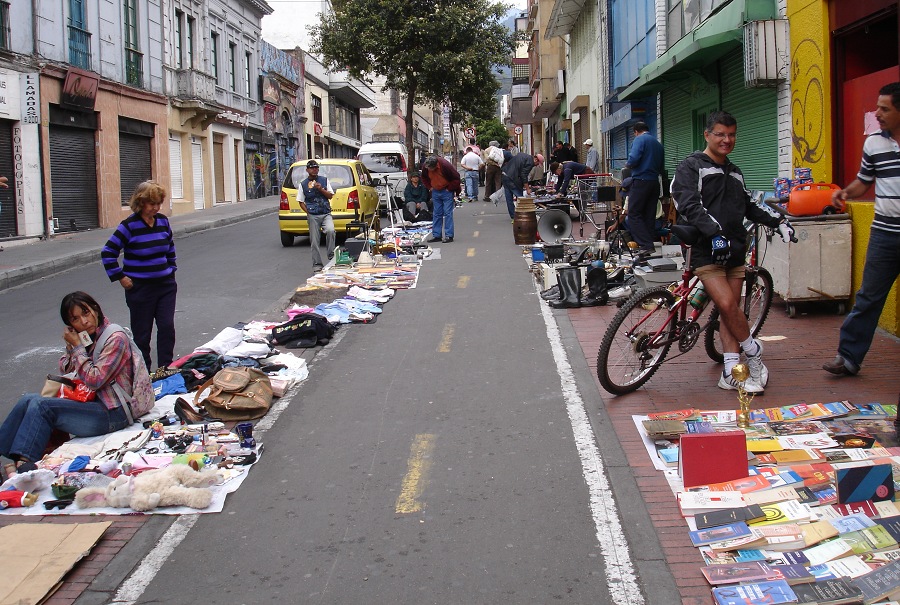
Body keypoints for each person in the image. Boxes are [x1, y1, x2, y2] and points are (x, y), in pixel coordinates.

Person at [671, 111, 794, 394]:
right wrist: (714, 235)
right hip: (706, 250)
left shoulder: (735, 171)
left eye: (732, 135)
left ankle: (729, 371)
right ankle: (754, 352)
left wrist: (779, 222)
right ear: (707, 135)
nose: (727, 140)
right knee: (727, 305)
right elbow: (688, 204)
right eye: (720, 134)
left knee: (731, 312)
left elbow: (750, 205)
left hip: (735, 250)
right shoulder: (692, 166)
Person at [0, 292, 154, 473]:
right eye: (75, 319)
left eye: (86, 313)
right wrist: (73, 346)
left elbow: (95, 380)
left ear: (95, 310)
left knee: (42, 406)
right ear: (70, 324)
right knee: (28, 400)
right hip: (90, 405)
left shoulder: (115, 338)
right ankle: (11, 458)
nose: (84, 321)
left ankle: (24, 467)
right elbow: (66, 371)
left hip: (114, 412)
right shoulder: (85, 338)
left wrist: (79, 349)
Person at [823, 82, 900, 377]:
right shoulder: (874, 144)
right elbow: (864, 181)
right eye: (877, 107)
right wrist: (845, 192)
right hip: (884, 234)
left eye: (884, 108)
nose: (877, 113)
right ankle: (848, 357)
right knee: (868, 296)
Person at [101, 181, 177, 371]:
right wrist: (120, 277)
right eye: (152, 204)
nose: (156, 208)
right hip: (140, 289)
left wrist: (171, 268)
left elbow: (170, 247)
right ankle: (144, 373)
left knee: (167, 327)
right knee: (142, 334)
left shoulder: (163, 221)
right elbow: (108, 252)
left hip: (165, 285)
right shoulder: (129, 226)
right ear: (141, 202)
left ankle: (165, 369)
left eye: (158, 203)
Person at [624, 121, 665, 258]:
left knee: (634, 213)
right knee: (649, 213)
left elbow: (633, 159)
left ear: (636, 131)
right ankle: (650, 243)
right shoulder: (657, 143)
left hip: (641, 180)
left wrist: (628, 164)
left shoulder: (640, 139)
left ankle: (646, 245)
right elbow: (661, 166)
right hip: (654, 182)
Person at [297, 160, 335, 271]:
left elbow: (330, 196)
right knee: (314, 241)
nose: (314, 169)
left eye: (316, 168)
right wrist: (308, 213)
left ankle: (331, 255)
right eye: (312, 168)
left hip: (325, 213)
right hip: (313, 215)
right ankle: (317, 264)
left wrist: (320, 189)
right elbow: (300, 201)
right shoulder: (303, 184)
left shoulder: (324, 181)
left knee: (331, 230)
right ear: (307, 170)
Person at [420, 155, 461, 243]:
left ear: (435, 165)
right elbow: (423, 177)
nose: (429, 170)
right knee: (437, 213)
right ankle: (437, 235)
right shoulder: (426, 166)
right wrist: (430, 187)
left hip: (446, 190)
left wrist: (449, 188)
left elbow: (456, 178)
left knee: (447, 213)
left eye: (431, 168)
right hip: (435, 190)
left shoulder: (445, 165)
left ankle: (449, 235)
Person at [501, 146, 535, 220]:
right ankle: (522, 214)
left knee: (509, 197)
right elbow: (523, 175)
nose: (537, 165)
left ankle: (513, 216)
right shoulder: (530, 161)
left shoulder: (522, 155)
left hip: (504, 174)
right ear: (536, 159)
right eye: (538, 163)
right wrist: (527, 188)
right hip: (512, 178)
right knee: (520, 197)